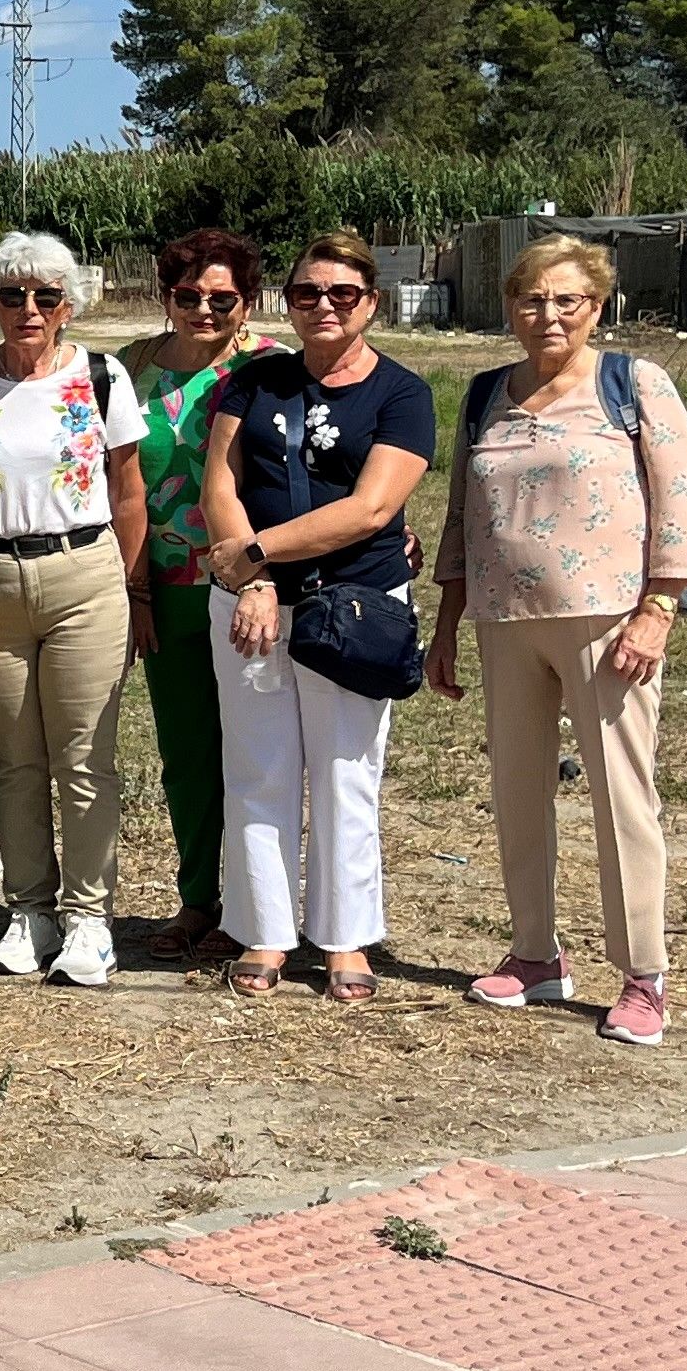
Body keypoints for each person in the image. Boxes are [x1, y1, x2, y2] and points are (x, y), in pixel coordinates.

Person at [431, 235, 687, 1046]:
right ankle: (534, 953)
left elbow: (682, 501)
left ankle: (642, 977)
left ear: (596, 306)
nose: (547, 315)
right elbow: (460, 518)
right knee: (519, 791)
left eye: (567, 301)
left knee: (623, 798)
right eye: (531, 299)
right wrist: (446, 624)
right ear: (509, 306)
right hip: (504, 621)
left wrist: (660, 607)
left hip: (610, 621)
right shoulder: (486, 395)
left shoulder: (633, 384)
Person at [199, 233, 436, 1002]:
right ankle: (265, 929)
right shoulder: (252, 381)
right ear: (287, 303)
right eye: (308, 294)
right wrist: (256, 581)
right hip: (253, 607)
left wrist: (256, 554)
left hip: (357, 606)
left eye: (342, 294)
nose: (325, 306)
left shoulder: (402, 394)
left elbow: (372, 509)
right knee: (258, 768)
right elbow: (220, 487)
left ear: (371, 302)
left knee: (345, 773)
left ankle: (346, 938)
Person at [0, 233, 149, 988]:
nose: (29, 310)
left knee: (84, 759)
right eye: (12, 295)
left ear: (69, 305)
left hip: (84, 576)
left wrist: (131, 590)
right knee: (13, 760)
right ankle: (28, 911)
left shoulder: (102, 376)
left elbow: (128, 492)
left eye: (46, 296)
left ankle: (88, 920)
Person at [118, 230, 283, 954]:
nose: (204, 310)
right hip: (163, 589)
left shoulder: (273, 367)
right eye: (188, 296)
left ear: (247, 302)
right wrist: (135, 592)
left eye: (223, 298)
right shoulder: (131, 368)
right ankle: (197, 900)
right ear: (167, 296)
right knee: (186, 752)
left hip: (249, 586)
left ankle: (258, 910)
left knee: (255, 752)